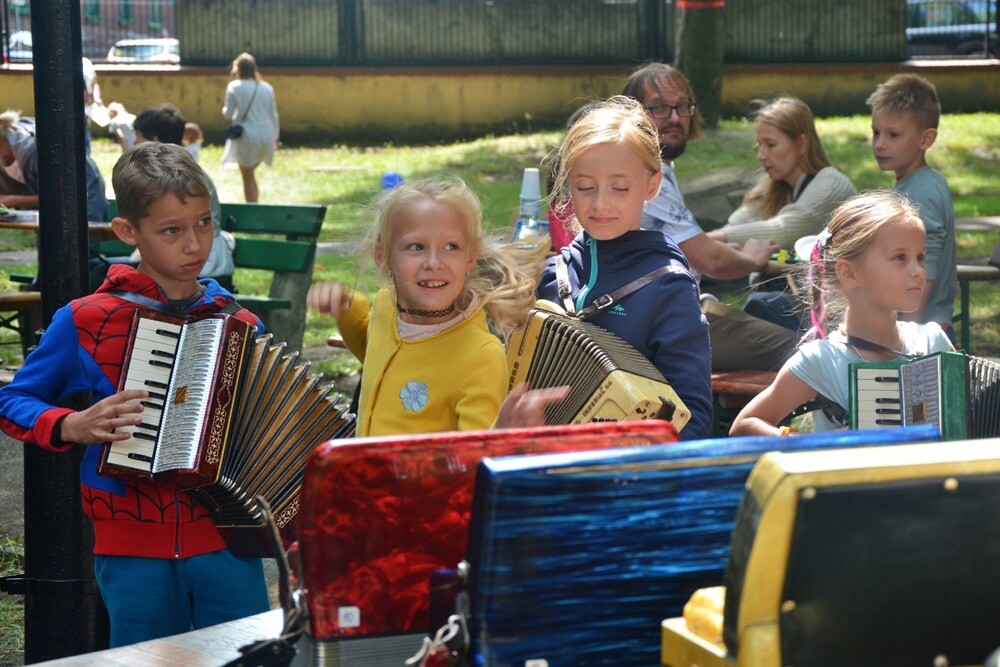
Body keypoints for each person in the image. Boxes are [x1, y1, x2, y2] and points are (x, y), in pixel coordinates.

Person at [0, 142, 270, 647]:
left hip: (229, 540)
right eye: (172, 231)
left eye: (205, 223)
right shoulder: (86, 319)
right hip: (131, 546)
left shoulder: (239, 322)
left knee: (249, 657)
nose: (195, 245)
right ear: (128, 231)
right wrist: (69, 424)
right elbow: (13, 400)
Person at [307, 177, 555, 436]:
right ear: (383, 257)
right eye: (417, 247)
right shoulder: (385, 306)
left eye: (451, 247)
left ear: (470, 256)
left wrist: (502, 431)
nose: (434, 262)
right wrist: (347, 311)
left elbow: (475, 457)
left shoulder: (480, 356)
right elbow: (378, 358)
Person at [535, 95, 713, 440]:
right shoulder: (551, 276)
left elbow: (694, 418)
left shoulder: (667, 286)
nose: (601, 203)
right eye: (585, 187)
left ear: (652, 185)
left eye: (619, 188)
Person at [729, 190, 955, 436]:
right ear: (848, 273)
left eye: (920, 257)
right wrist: (820, 443)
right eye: (900, 257)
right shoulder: (822, 360)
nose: (919, 271)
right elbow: (743, 426)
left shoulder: (933, 342)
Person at [620, 62, 790, 372]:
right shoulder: (640, 171)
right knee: (799, 351)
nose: (674, 118)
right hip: (667, 325)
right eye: (658, 108)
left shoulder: (660, 168)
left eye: (681, 106)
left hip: (674, 311)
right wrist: (751, 258)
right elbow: (712, 261)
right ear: (632, 115)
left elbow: (692, 247)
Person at [866, 73, 957, 335]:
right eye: (876, 132)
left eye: (893, 135)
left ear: (926, 139)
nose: (880, 144)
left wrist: (906, 337)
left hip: (922, 330)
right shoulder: (918, 183)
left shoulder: (922, 191)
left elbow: (923, 272)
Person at [131, 103, 234, 289]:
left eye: (137, 136)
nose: (133, 143)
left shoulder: (177, 177)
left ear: (153, 140)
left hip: (203, 270)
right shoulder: (183, 169)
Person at [0, 110, 108, 223]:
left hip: (84, 199)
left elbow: (61, 196)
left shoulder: (38, 149)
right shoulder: (5, 155)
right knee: (48, 238)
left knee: (77, 237)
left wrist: (14, 200)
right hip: (50, 212)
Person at [221, 52, 280, 203]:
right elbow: (273, 114)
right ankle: (255, 205)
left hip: (246, 135)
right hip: (266, 134)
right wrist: (275, 137)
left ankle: (252, 208)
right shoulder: (266, 88)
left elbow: (227, 114)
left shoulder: (234, 86)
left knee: (247, 176)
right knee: (250, 173)